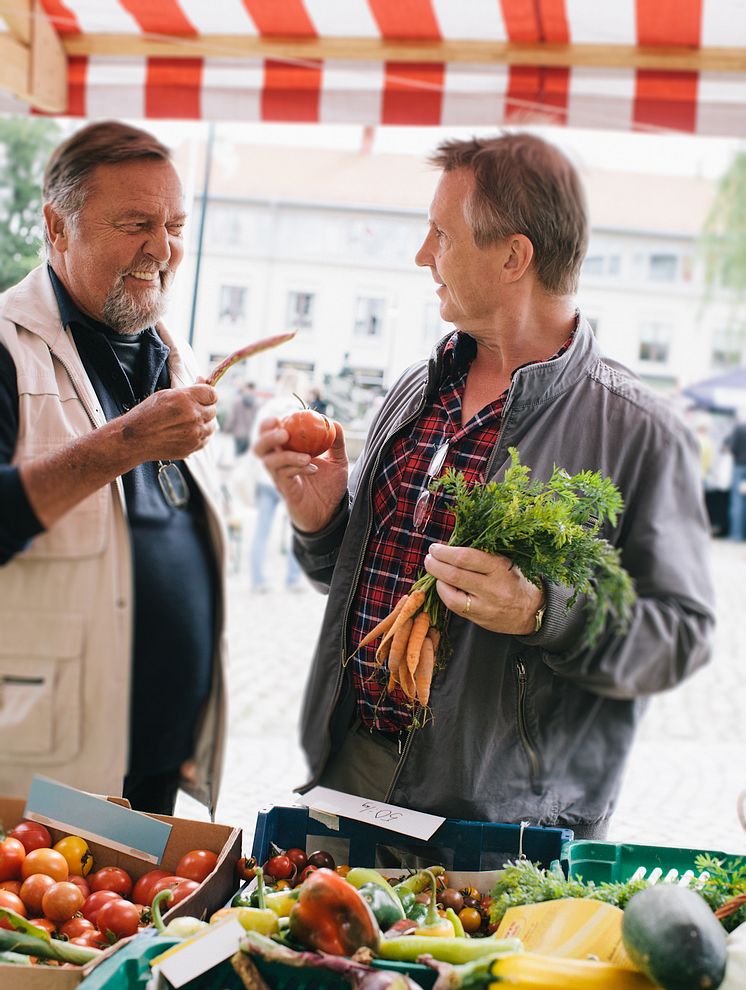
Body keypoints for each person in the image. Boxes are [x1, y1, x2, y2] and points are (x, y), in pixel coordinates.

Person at [254, 133, 716, 839]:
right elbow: (356, 580)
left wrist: (542, 611)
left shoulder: (640, 431)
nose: (421, 256)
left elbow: (679, 635)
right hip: (356, 775)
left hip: (507, 816)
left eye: (440, 234)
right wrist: (323, 526)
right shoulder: (415, 389)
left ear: (513, 256)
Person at [0, 121, 227, 816]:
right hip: (44, 759)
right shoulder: (6, 346)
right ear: (57, 226)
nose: (162, 249)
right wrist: (121, 444)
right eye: (136, 224)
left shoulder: (172, 350)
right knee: (52, 923)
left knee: (145, 924)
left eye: (175, 225)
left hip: (157, 757)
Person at [249, 374, 305, 594]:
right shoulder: (302, 410)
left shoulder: (267, 408)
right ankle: (293, 579)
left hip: (266, 477)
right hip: (292, 477)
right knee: (298, 531)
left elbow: (256, 444)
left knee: (261, 530)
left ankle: (258, 580)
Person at [724, 406, 746, 540]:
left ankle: (736, 534)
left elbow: (730, 447)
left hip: (739, 466)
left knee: (736, 502)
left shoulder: (739, 428)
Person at [223, 381, 257, 457]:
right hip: (250, 434)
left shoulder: (237, 402)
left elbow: (232, 418)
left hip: (238, 433)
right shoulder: (256, 403)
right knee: (246, 457)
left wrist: (226, 429)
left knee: (238, 456)